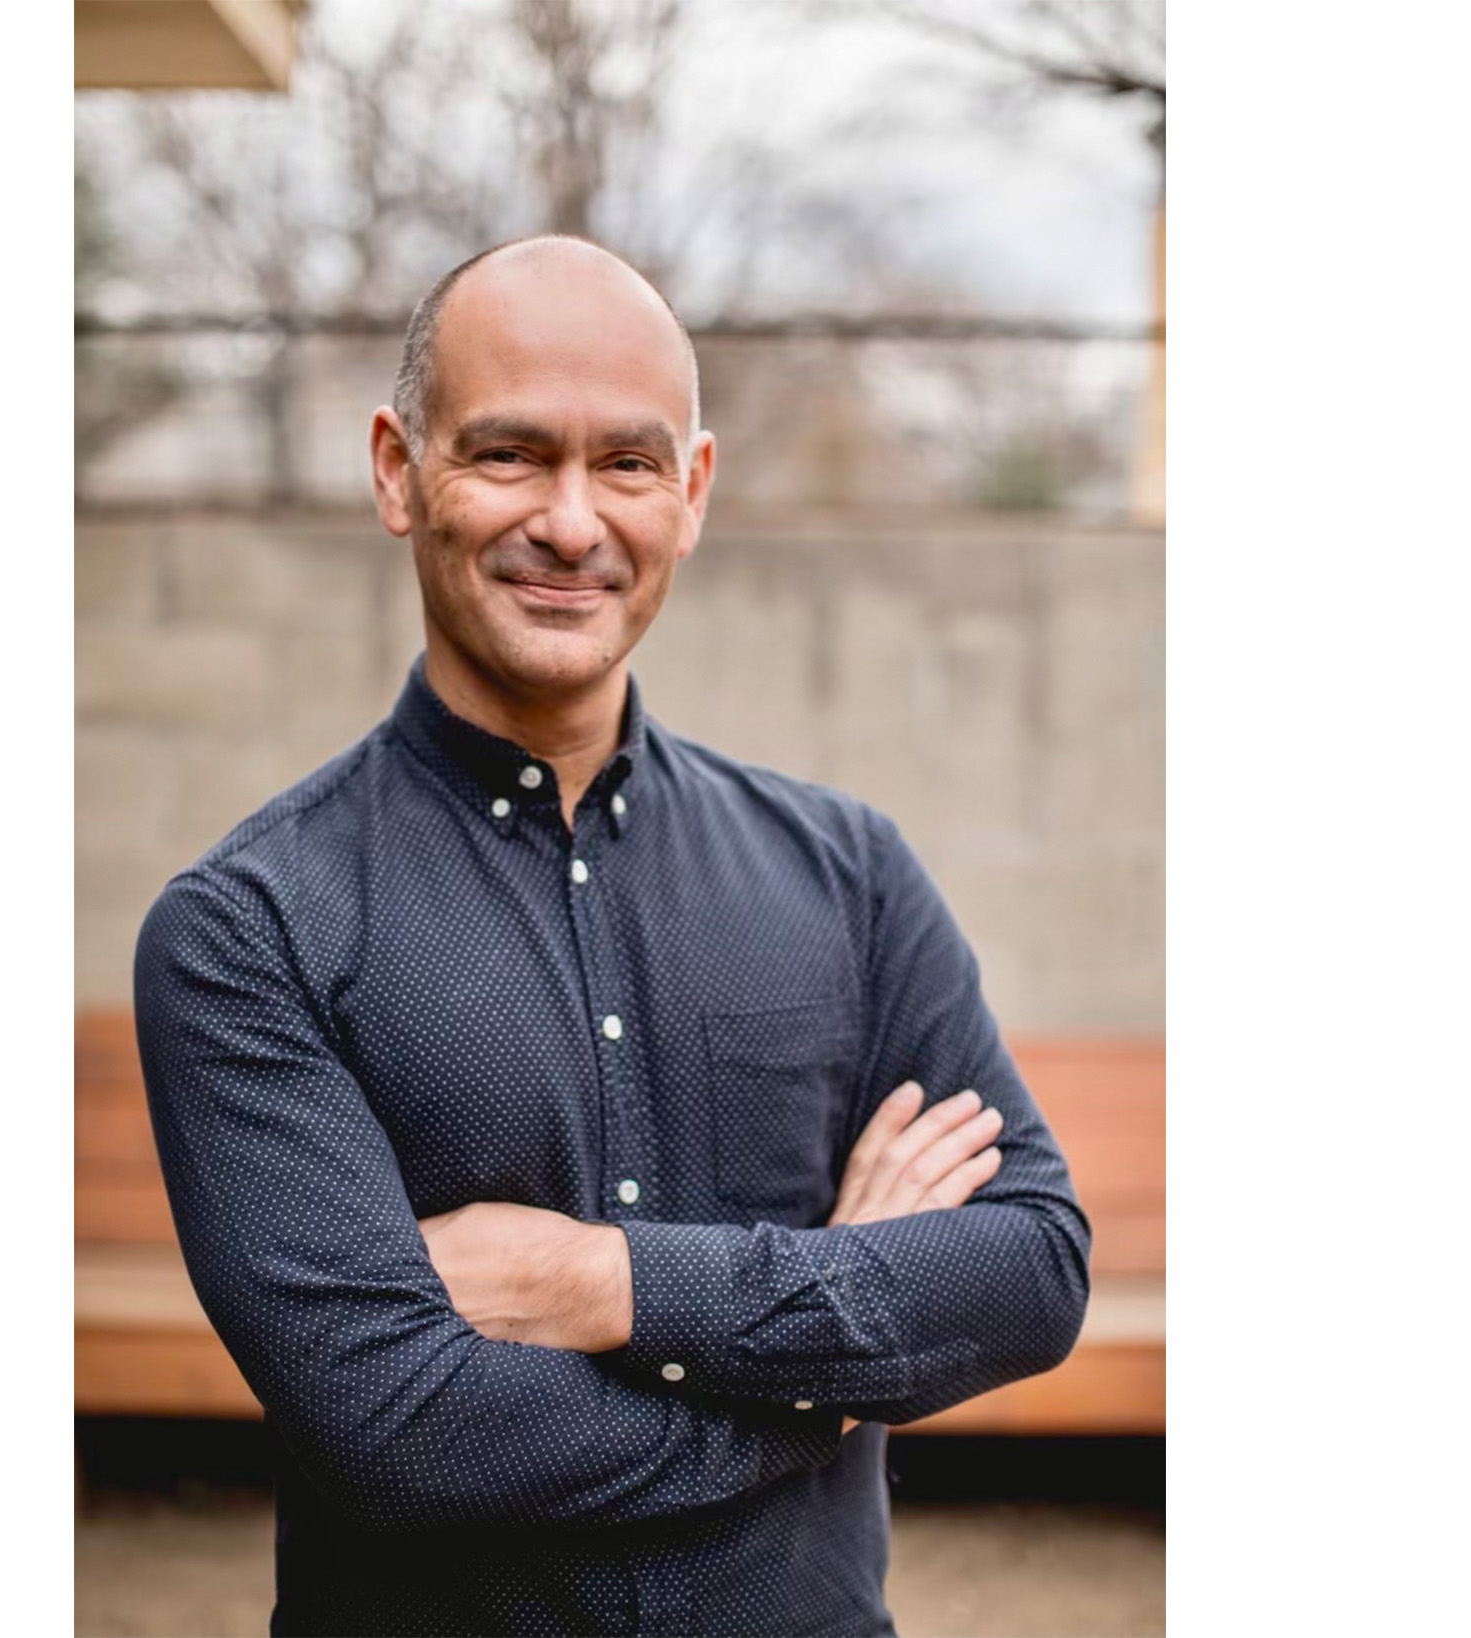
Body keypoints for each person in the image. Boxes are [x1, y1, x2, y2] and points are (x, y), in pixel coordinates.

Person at [133, 235, 1091, 1638]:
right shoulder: (249, 930)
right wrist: (832, 1374)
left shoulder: (851, 874)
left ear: (692, 491)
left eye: (629, 464)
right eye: (511, 454)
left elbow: (1031, 1269)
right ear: (399, 470)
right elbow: (400, 1432)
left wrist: (606, 1283)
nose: (574, 523)